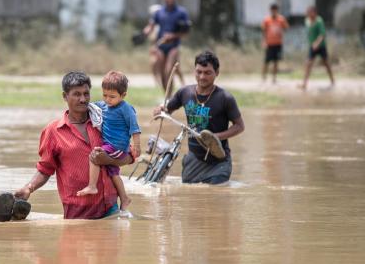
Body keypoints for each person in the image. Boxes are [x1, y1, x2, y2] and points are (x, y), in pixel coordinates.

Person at [14, 71, 133, 219]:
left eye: (86, 94)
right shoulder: (53, 131)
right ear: (65, 96)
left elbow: (130, 156)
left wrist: (108, 160)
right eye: (77, 94)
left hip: (110, 209)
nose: (83, 99)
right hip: (77, 212)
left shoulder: (104, 122)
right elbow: (45, 169)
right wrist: (29, 188)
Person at [154, 50, 245, 184]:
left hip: (219, 163)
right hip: (194, 160)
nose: (202, 76)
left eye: (207, 72)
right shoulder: (184, 93)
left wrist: (216, 137)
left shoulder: (225, 98)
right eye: (199, 72)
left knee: (214, 195)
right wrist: (160, 109)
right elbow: (168, 109)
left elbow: (240, 126)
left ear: (217, 73)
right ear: (194, 71)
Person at [76, 71, 141, 211]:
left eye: (112, 97)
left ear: (123, 95)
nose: (107, 100)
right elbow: (90, 105)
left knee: (95, 155)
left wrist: (137, 145)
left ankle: (92, 186)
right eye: (104, 95)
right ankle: (124, 198)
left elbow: (134, 128)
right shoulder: (104, 105)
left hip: (117, 146)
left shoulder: (126, 108)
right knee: (113, 173)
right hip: (109, 145)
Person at [143, 0, 191, 96]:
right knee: (161, 72)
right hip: (161, 46)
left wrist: (173, 35)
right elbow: (150, 26)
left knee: (169, 71)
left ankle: (170, 96)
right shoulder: (159, 12)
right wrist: (143, 34)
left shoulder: (181, 12)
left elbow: (186, 32)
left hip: (173, 46)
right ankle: (167, 96)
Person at [299, 6, 335, 90]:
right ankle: (304, 84)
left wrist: (317, 43)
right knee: (308, 64)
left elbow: (322, 34)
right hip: (312, 46)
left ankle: (332, 80)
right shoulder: (307, 21)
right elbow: (309, 33)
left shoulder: (319, 21)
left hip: (321, 46)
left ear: (314, 12)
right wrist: (312, 43)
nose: (308, 13)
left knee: (326, 63)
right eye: (307, 12)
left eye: (310, 12)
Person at [261, 3, 289, 84]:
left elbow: (286, 28)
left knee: (276, 61)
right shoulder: (267, 20)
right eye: (272, 10)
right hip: (269, 43)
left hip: (278, 43)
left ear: (277, 10)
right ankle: (264, 77)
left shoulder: (281, 19)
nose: (273, 11)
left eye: (275, 10)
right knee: (267, 61)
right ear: (270, 10)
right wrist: (264, 41)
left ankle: (274, 78)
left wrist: (281, 31)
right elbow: (264, 31)